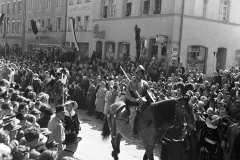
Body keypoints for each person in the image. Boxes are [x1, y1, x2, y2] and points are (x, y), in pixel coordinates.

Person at [125, 65, 149, 138]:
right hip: (132, 103)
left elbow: (147, 93)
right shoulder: (131, 83)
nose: (140, 75)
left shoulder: (145, 83)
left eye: (142, 74)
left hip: (142, 103)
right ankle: (132, 132)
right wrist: (136, 100)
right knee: (134, 114)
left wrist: (144, 98)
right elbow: (127, 95)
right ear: (136, 73)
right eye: (139, 73)